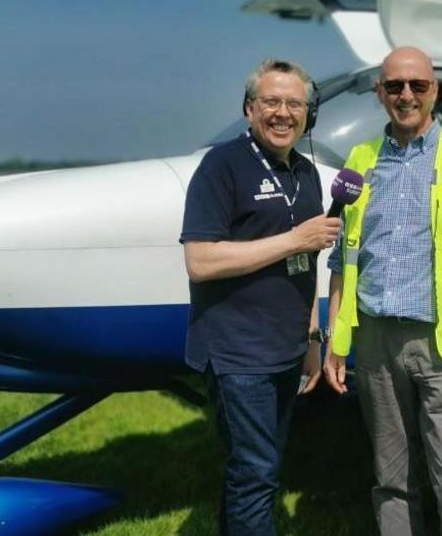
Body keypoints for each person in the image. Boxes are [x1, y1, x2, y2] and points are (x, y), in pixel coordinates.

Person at [323, 46, 442, 535]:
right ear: (379, 94)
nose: (406, 95)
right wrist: (333, 338)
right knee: (391, 482)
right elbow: (342, 259)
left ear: (435, 90)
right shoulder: (360, 161)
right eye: (394, 86)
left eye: (417, 85)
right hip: (374, 344)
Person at [181, 58, 340, 535]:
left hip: (287, 351)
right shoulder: (220, 166)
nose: (283, 113)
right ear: (250, 109)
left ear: (308, 115)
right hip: (238, 353)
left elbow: (305, 268)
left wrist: (312, 340)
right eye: (271, 102)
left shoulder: (307, 175)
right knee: (257, 473)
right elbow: (201, 261)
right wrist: (295, 239)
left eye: (294, 104)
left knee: (256, 471)